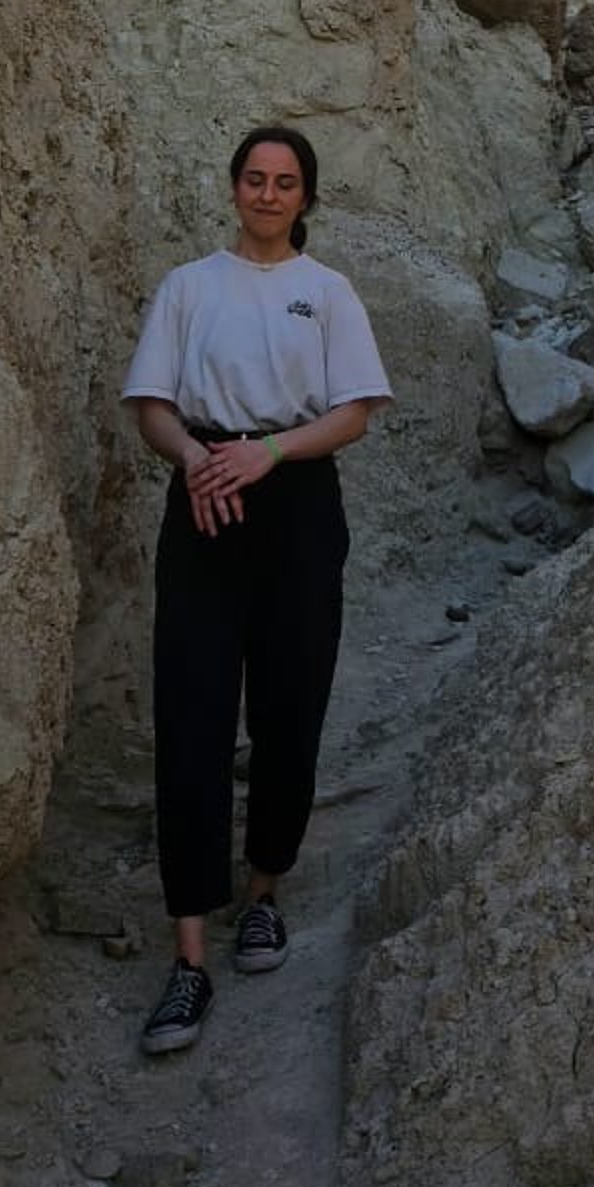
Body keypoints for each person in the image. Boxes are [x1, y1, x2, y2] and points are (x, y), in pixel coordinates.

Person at [121, 125, 391, 1057]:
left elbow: (354, 411)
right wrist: (198, 458)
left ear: (306, 199)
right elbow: (152, 402)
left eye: (285, 183)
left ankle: (264, 892)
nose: (268, 195)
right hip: (201, 503)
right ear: (233, 189)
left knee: (290, 707)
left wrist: (265, 453)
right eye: (253, 179)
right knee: (191, 714)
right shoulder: (189, 286)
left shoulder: (328, 294)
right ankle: (190, 954)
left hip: (296, 502)